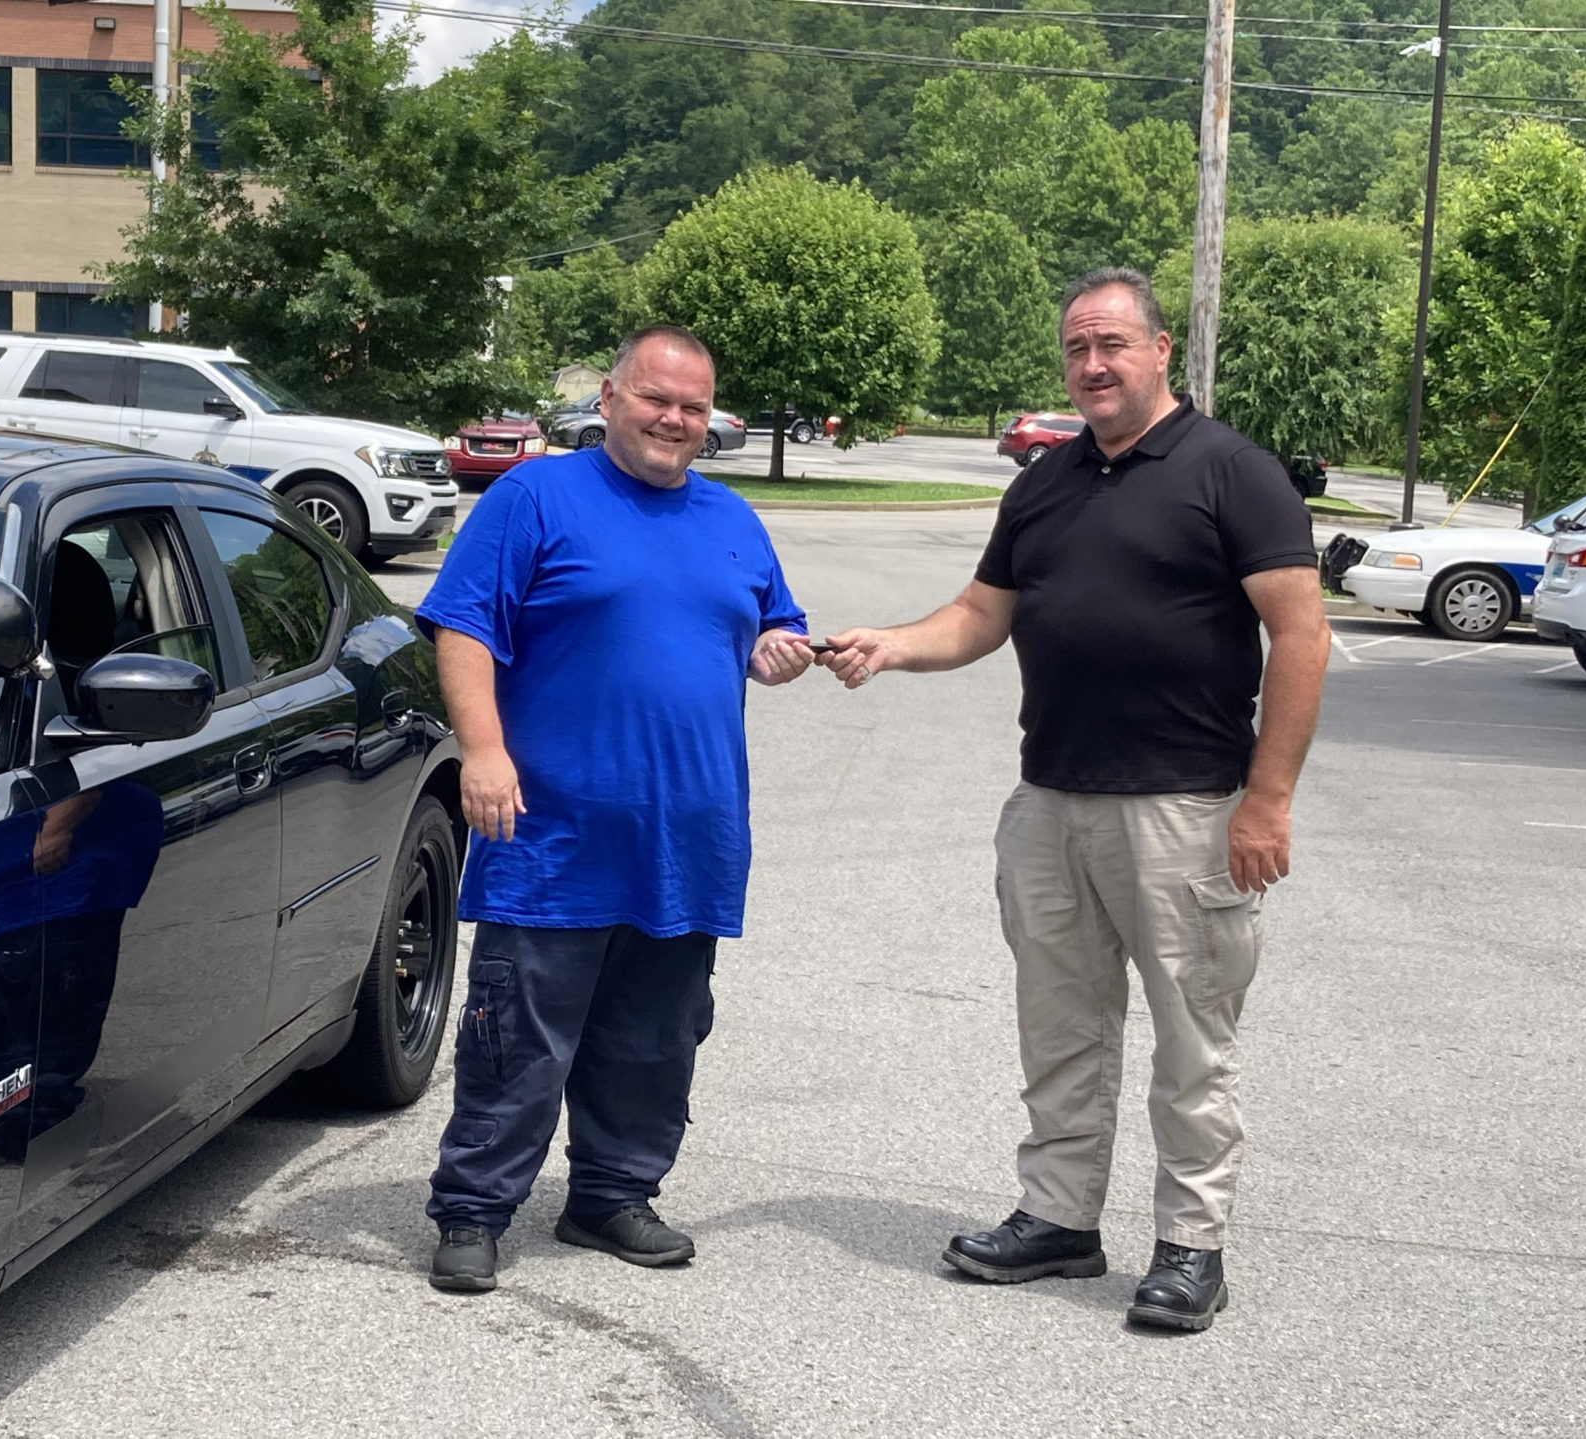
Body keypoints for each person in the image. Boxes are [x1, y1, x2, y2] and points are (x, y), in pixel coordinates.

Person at [817, 268, 1329, 1332]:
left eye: (1111, 344)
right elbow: (977, 613)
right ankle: (1058, 1218)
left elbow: (1301, 634)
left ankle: (1191, 1243)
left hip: (1186, 809)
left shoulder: (1234, 473)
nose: (1092, 365)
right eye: (1075, 349)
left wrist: (1266, 799)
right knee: (1060, 1027)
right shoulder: (1042, 483)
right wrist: (892, 645)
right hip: (1049, 802)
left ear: (1158, 353)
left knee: (1193, 1038)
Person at [415, 324, 813, 1294]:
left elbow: (775, 622)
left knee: (654, 1034)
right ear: (609, 397)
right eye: (655, 399)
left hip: (689, 836)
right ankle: (473, 1208)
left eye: (691, 407)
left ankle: (610, 1193)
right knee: (517, 1032)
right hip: (549, 831)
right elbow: (464, 623)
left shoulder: (732, 518)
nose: (673, 419)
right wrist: (485, 748)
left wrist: (776, 646)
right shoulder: (535, 497)